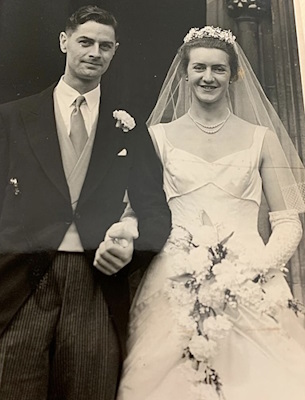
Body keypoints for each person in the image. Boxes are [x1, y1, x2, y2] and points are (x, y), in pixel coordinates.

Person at [117, 26, 305, 400]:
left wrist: (255, 269)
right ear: (185, 73)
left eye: (219, 69)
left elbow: (287, 223)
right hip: (176, 276)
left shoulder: (261, 139)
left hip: (254, 279)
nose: (208, 77)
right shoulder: (158, 137)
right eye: (199, 68)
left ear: (233, 74)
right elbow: (133, 211)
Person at [0, 5, 171, 400]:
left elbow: (156, 212)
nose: (95, 52)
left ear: (114, 52)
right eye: (85, 42)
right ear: (64, 42)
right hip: (22, 279)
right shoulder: (12, 119)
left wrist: (130, 248)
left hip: (95, 283)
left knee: (89, 390)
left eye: (105, 46)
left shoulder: (128, 125)